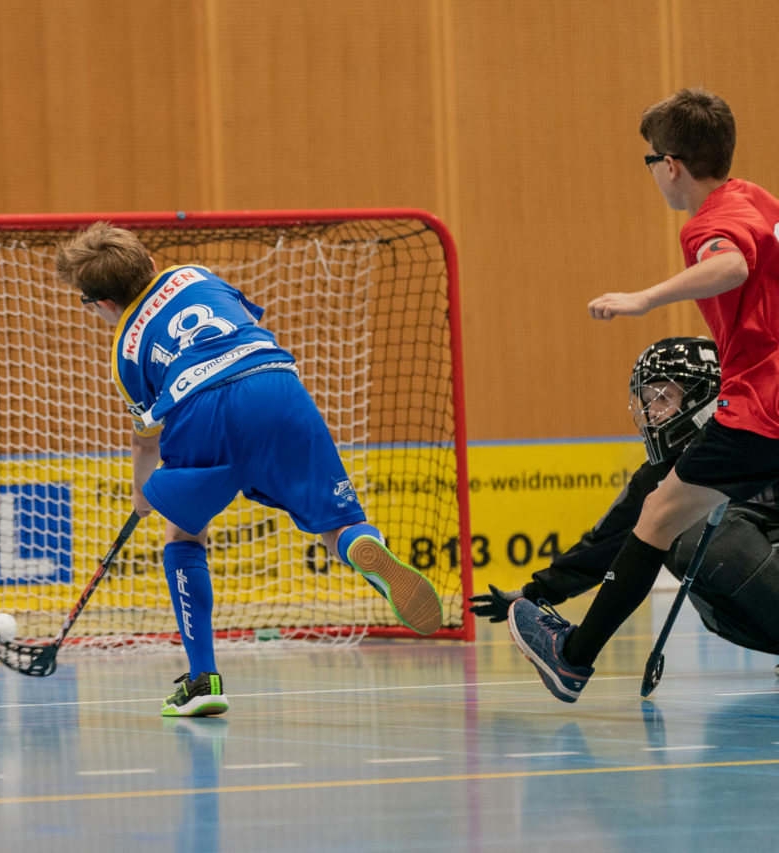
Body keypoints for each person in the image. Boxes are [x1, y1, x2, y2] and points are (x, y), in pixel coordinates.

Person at [54, 222, 442, 716]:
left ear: (102, 303)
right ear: (150, 264)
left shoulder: (125, 352)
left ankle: (204, 680)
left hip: (201, 410)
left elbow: (145, 438)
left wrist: (142, 494)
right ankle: (361, 545)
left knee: (183, 536)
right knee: (336, 523)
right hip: (276, 386)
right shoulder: (192, 275)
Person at [509, 88, 779, 702]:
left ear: (672, 165)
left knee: (658, 515)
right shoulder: (756, 197)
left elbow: (731, 265)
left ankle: (572, 659)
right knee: (663, 507)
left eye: (650, 161)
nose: (653, 172)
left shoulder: (709, 225)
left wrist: (642, 299)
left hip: (763, 406)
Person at [471, 337, 779, 658]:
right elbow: (604, 545)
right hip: (745, 614)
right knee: (667, 533)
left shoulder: (764, 440)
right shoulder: (658, 478)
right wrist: (534, 593)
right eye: (646, 400)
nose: (652, 412)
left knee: (706, 536)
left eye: (663, 397)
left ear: (705, 395)